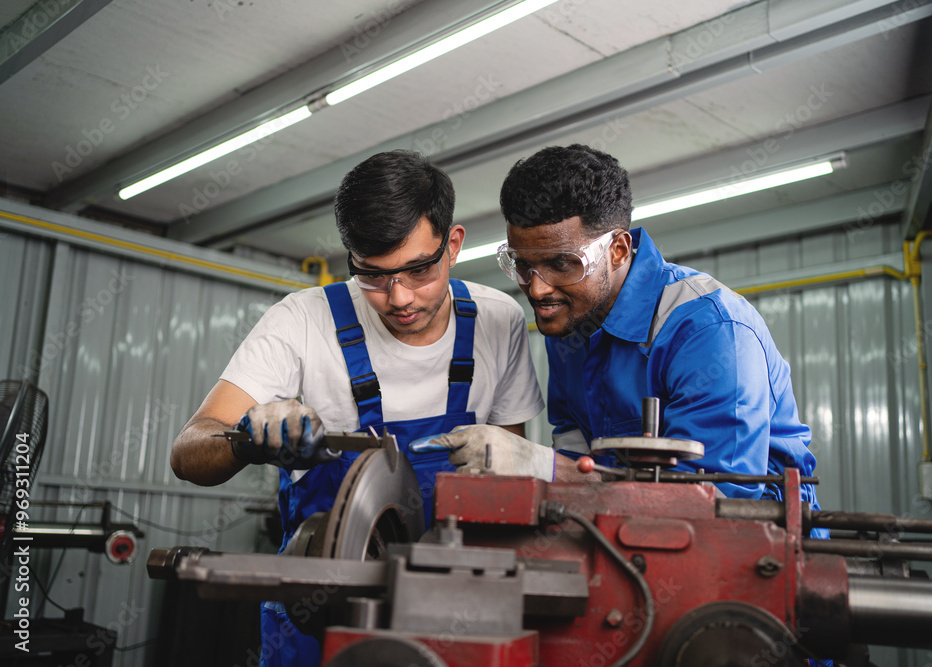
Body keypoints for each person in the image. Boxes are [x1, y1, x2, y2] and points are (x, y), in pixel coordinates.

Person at [169, 150, 544, 666]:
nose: (399, 297)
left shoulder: (498, 320)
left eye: (418, 270)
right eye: (373, 275)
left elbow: (509, 481)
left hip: (454, 610)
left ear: (453, 244)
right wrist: (247, 438)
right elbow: (187, 453)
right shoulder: (301, 320)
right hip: (319, 617)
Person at [434, 143, 823, 516]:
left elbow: (713, 501)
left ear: (617, 250)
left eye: (562, 264)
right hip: (621, 526)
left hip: (755, 538)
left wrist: (541, 466)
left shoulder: (710, 330)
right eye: (522, 265)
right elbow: (575, 445)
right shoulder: (571, 321)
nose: (537, 289)